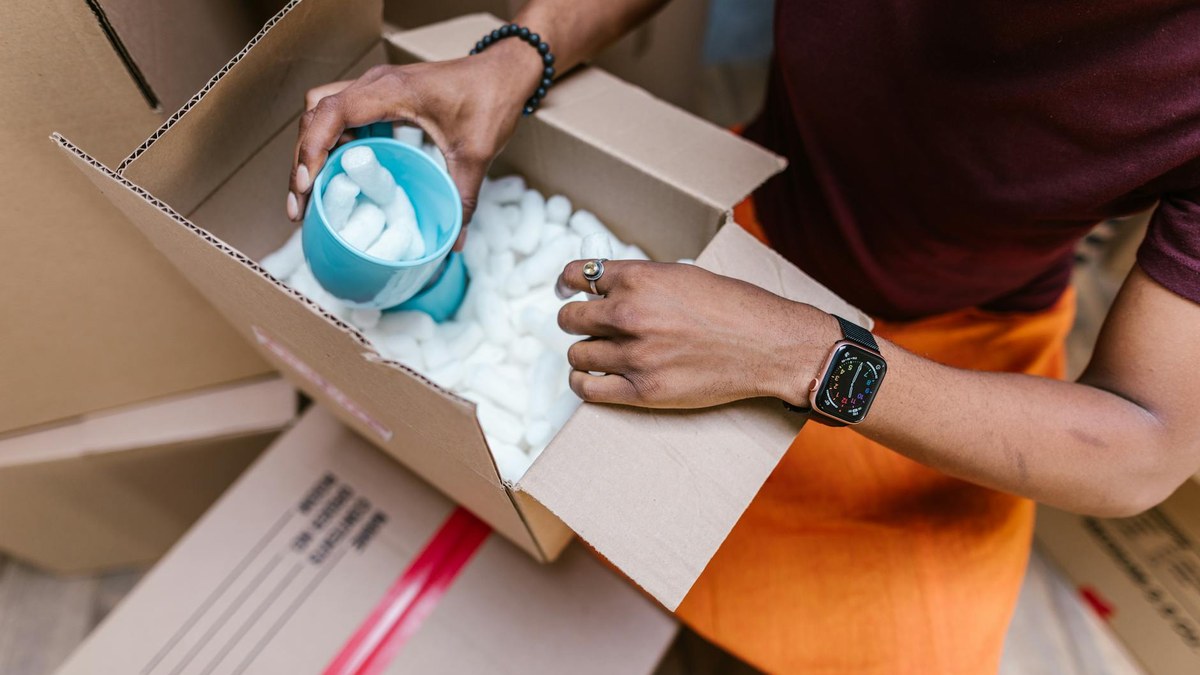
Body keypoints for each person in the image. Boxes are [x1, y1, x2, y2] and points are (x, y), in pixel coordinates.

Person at [287, 1, 1200, 671]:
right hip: (754, 213)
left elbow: (1143, 444)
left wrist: (799, 355)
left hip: (953, 349)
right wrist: (520, 53)